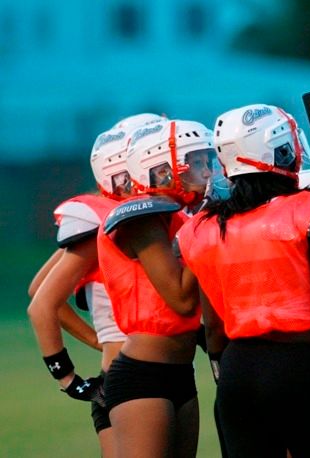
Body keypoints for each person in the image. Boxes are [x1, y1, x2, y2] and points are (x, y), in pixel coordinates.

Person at [177, 104, 310, 458]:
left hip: (237, 371)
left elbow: (213, 329)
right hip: (297, 366)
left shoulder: (203, 227)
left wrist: (230, 380)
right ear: (278, 149)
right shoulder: (309, 209)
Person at [27, 113, 164, 457]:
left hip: (154, 371)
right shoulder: (102, 219)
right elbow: (41, 300)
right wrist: (69, 378)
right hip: (130, 378)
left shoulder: (151, 216)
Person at [97, 119, 213, 458]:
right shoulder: (141, 216)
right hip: (142, 375)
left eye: (208, 161)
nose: (207, 172)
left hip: (181, 371)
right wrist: (207, 223)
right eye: (197, 162)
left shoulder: (179, 215)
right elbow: (179, 298)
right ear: (161, 167)